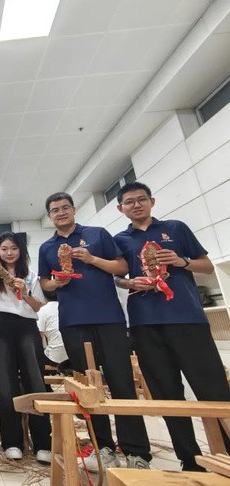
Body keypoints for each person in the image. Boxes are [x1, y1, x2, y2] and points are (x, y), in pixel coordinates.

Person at [114, 181, 230, 471]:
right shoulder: (120, 240)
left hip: (187, 319)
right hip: (144, 324)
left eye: (141, 199)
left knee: (213, 389)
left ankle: (227, 453)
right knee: (167, 394)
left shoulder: (176, 228)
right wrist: (128, 282)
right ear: (120, 208)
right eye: (129, 202)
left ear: (152, 201)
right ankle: (189, 460)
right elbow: (116, 275)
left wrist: (182, 261)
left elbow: (207, 265)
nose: (136, 205)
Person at [38, 192, 152, 471]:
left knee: (121, 382)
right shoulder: (47, 247)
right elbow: (44, 283)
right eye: (55, 210)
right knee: (87, 387)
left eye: (65, 207)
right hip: (72, 322)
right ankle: (103, 447)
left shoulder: (97, 234)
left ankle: (136, 452)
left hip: (108, 318)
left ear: (73, 210)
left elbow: (122, 267)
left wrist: (91, 259)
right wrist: (57, 283)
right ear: (50, 216)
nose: (61, 213)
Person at [0, 231, 51, 464]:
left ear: (21, 250)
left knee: (35, 381)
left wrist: (25, 291)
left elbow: (37, 307)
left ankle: (43, 443)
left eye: (13, 248)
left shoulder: (30, 275)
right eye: (4, 249)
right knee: (5, 384)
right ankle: (12, 442)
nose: (9, 253)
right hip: (0, 326)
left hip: (27, 327)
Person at [36, 290, 68, 370]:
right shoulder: (68, 307)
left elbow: (39, 338)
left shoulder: (42, 310)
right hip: (73, 356)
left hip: (55, 358)